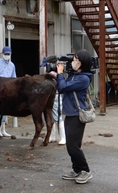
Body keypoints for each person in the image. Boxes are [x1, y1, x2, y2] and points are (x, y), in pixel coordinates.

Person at [56, 49, 93, 184]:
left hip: (77, 115)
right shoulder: (75, 76)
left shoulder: (83, 78)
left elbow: (62, 87)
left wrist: (60, 74)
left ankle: (85, 171)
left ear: (82, 63)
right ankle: (77, 170)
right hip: (70, 113)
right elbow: (61, 85)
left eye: (75, 60)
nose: (73, 62)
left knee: (72, 146)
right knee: (72, 145)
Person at [40, 59, 66, 145]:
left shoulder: (53, 75)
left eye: (45, 66)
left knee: (58, 117)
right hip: (50, 97)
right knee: (51, 116)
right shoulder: (53, 75)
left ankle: (63, 137)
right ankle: (52, 136)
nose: (44, 68)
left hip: (55, 97)